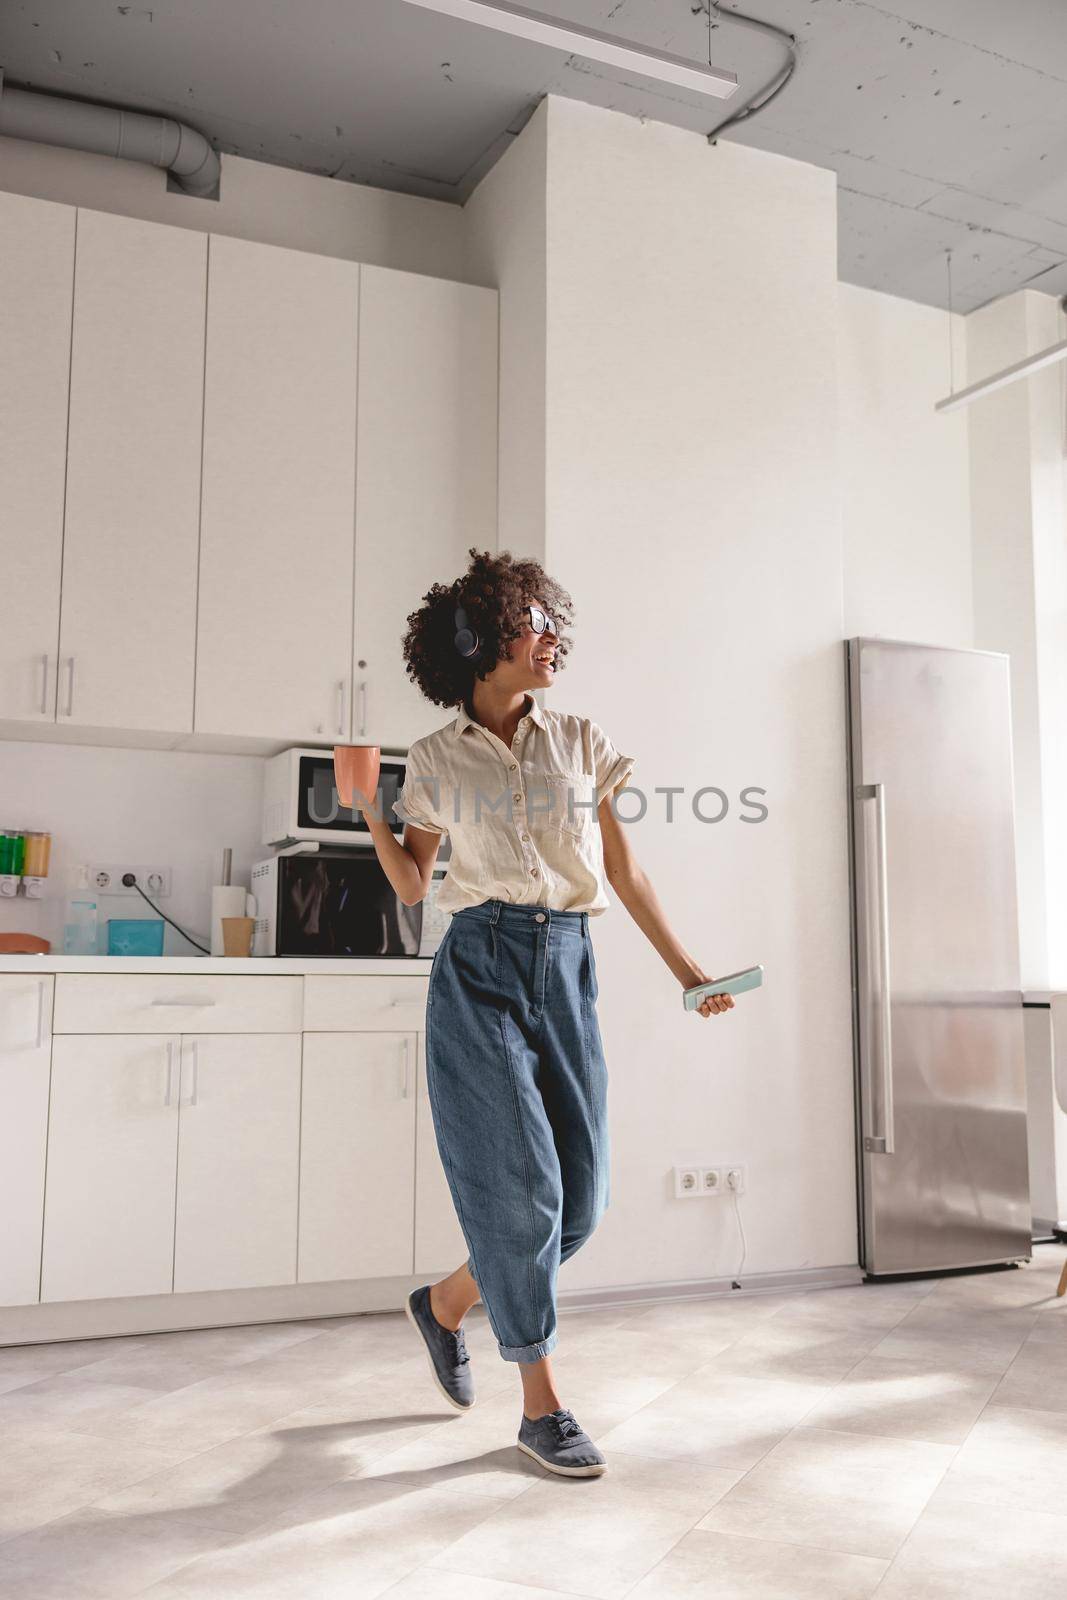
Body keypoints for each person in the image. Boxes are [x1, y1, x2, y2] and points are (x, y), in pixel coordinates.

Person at [355, 547, 733, 1479]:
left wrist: (688, 970)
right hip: (477, 967)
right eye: (530, 620)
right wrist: (368, 808)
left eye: (549, 617)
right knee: (520, 1198)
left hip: (566, 965)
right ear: (480, 640)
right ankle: (541, 1406)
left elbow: (623, 869)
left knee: (583, 1201)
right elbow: (413, 882)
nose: (550, 634)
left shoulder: (581, 741)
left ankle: (445, 1304)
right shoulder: (439, 759)